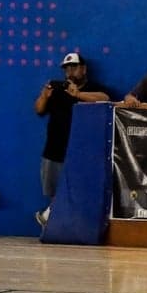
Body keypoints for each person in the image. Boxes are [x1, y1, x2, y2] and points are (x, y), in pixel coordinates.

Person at [35, 51, 113, 228]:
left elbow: (105, 99)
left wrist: (78, 95)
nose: (70, 72)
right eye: (67, 69)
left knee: (77, 190)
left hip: (80, 151)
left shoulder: (92, 87)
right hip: (54, 149)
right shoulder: (56, 91)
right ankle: (55, 224)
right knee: (54, 192)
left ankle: (56, 220)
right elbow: (39, 110)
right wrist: (44, 96)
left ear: (83, 69)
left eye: (74, 67)